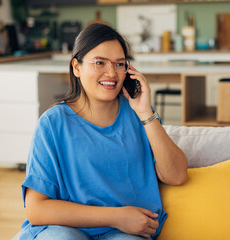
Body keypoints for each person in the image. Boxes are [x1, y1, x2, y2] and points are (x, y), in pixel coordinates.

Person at [20, 23, 188, 240]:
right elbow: (36, 210)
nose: (112, 73)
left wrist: (146, 111)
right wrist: (115, 216)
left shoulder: (140, 115)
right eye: (100, 62)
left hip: (125, 233)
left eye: (120, 64)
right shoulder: (53, 123)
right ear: (76, 67)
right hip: (65, 229)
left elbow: (177, 176)